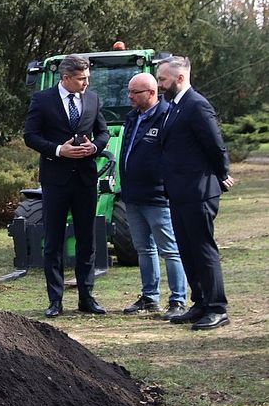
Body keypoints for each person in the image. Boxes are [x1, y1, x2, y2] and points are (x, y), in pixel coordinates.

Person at [23, 54, 110, 318]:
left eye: (88, 79)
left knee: (88, 239)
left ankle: (87, 297)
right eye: (81, 79)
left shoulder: (92, 99)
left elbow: (103, 132)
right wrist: (59, 150)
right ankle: (55, 300)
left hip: (85, 179)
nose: (86, 84)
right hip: (56, 180)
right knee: (54, 241)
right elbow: (30, 136)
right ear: (66, 78)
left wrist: (95, 146)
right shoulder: (42, 99)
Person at [156, 56, 235, 331]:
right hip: (179, 192)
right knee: (187, 250)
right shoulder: (174, 107)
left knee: (202, 249)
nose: (159, 84)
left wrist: (222, 174)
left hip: (198, 191)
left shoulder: (197, 106)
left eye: (163, 79)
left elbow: (215, 145)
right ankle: (200, 302)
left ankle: (217, 307)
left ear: (179, 79)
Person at [118, 73, 188, 319]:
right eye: (129, 92)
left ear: (151, 93)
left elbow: (173, 156)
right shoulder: (131, 118)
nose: (130, 97)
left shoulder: (167, 116)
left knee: (169, 249)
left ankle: (178, 300)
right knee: (143, 249)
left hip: (157, 197)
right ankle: (149, 297)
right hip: (132, 196)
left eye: (134, 93)